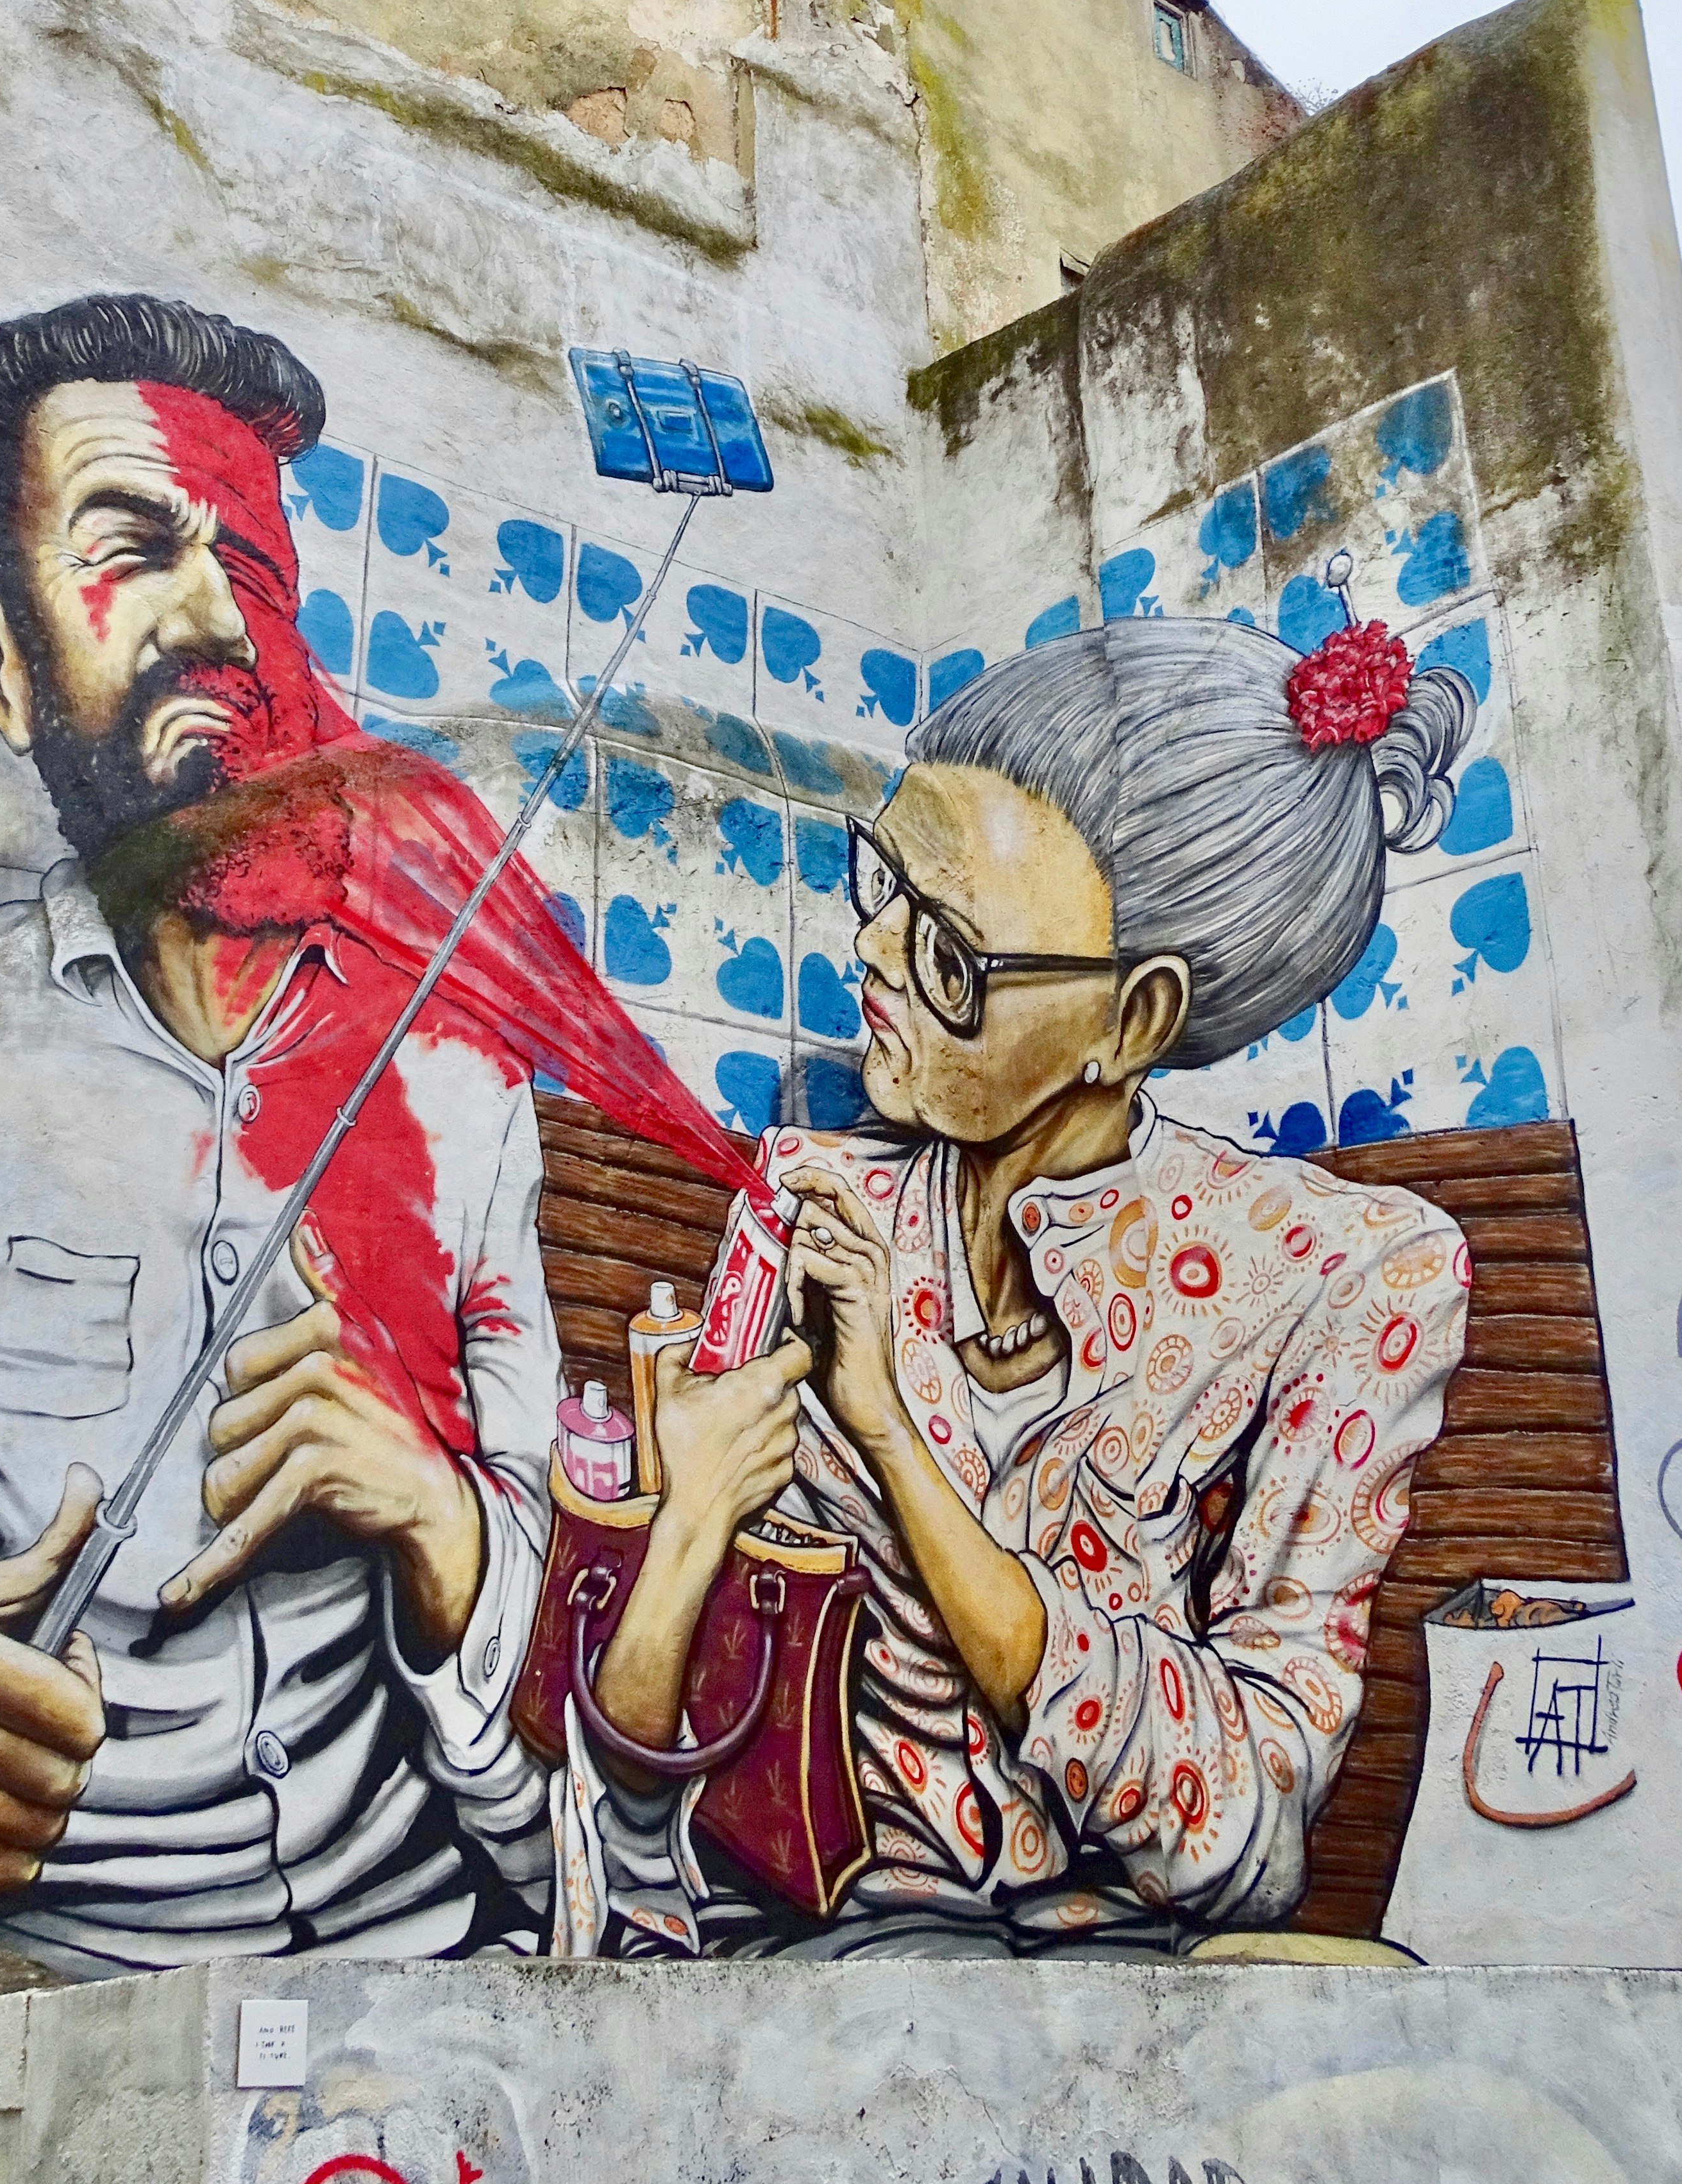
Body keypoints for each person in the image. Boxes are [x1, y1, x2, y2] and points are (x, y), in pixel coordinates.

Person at [0, 294, 742, 1993]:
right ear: (0, 662)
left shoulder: (454, 1087)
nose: (211, 622)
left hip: (432, 2002)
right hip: (40, 2036)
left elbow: (585, 1764)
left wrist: (445, 1529)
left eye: (252, 569)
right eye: (125, 552)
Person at [556, 612, 1479, 1957]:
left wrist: (889, 1437)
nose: (871, 960)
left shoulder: (1338, 1278)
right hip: (816, 1941)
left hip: (1127, 1979)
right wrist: (683, 1506)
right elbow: (661, 1724)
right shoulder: (816, 1199)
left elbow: (1257, 1821)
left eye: (948, 955)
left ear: (1134, 1023)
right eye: (881, 888)